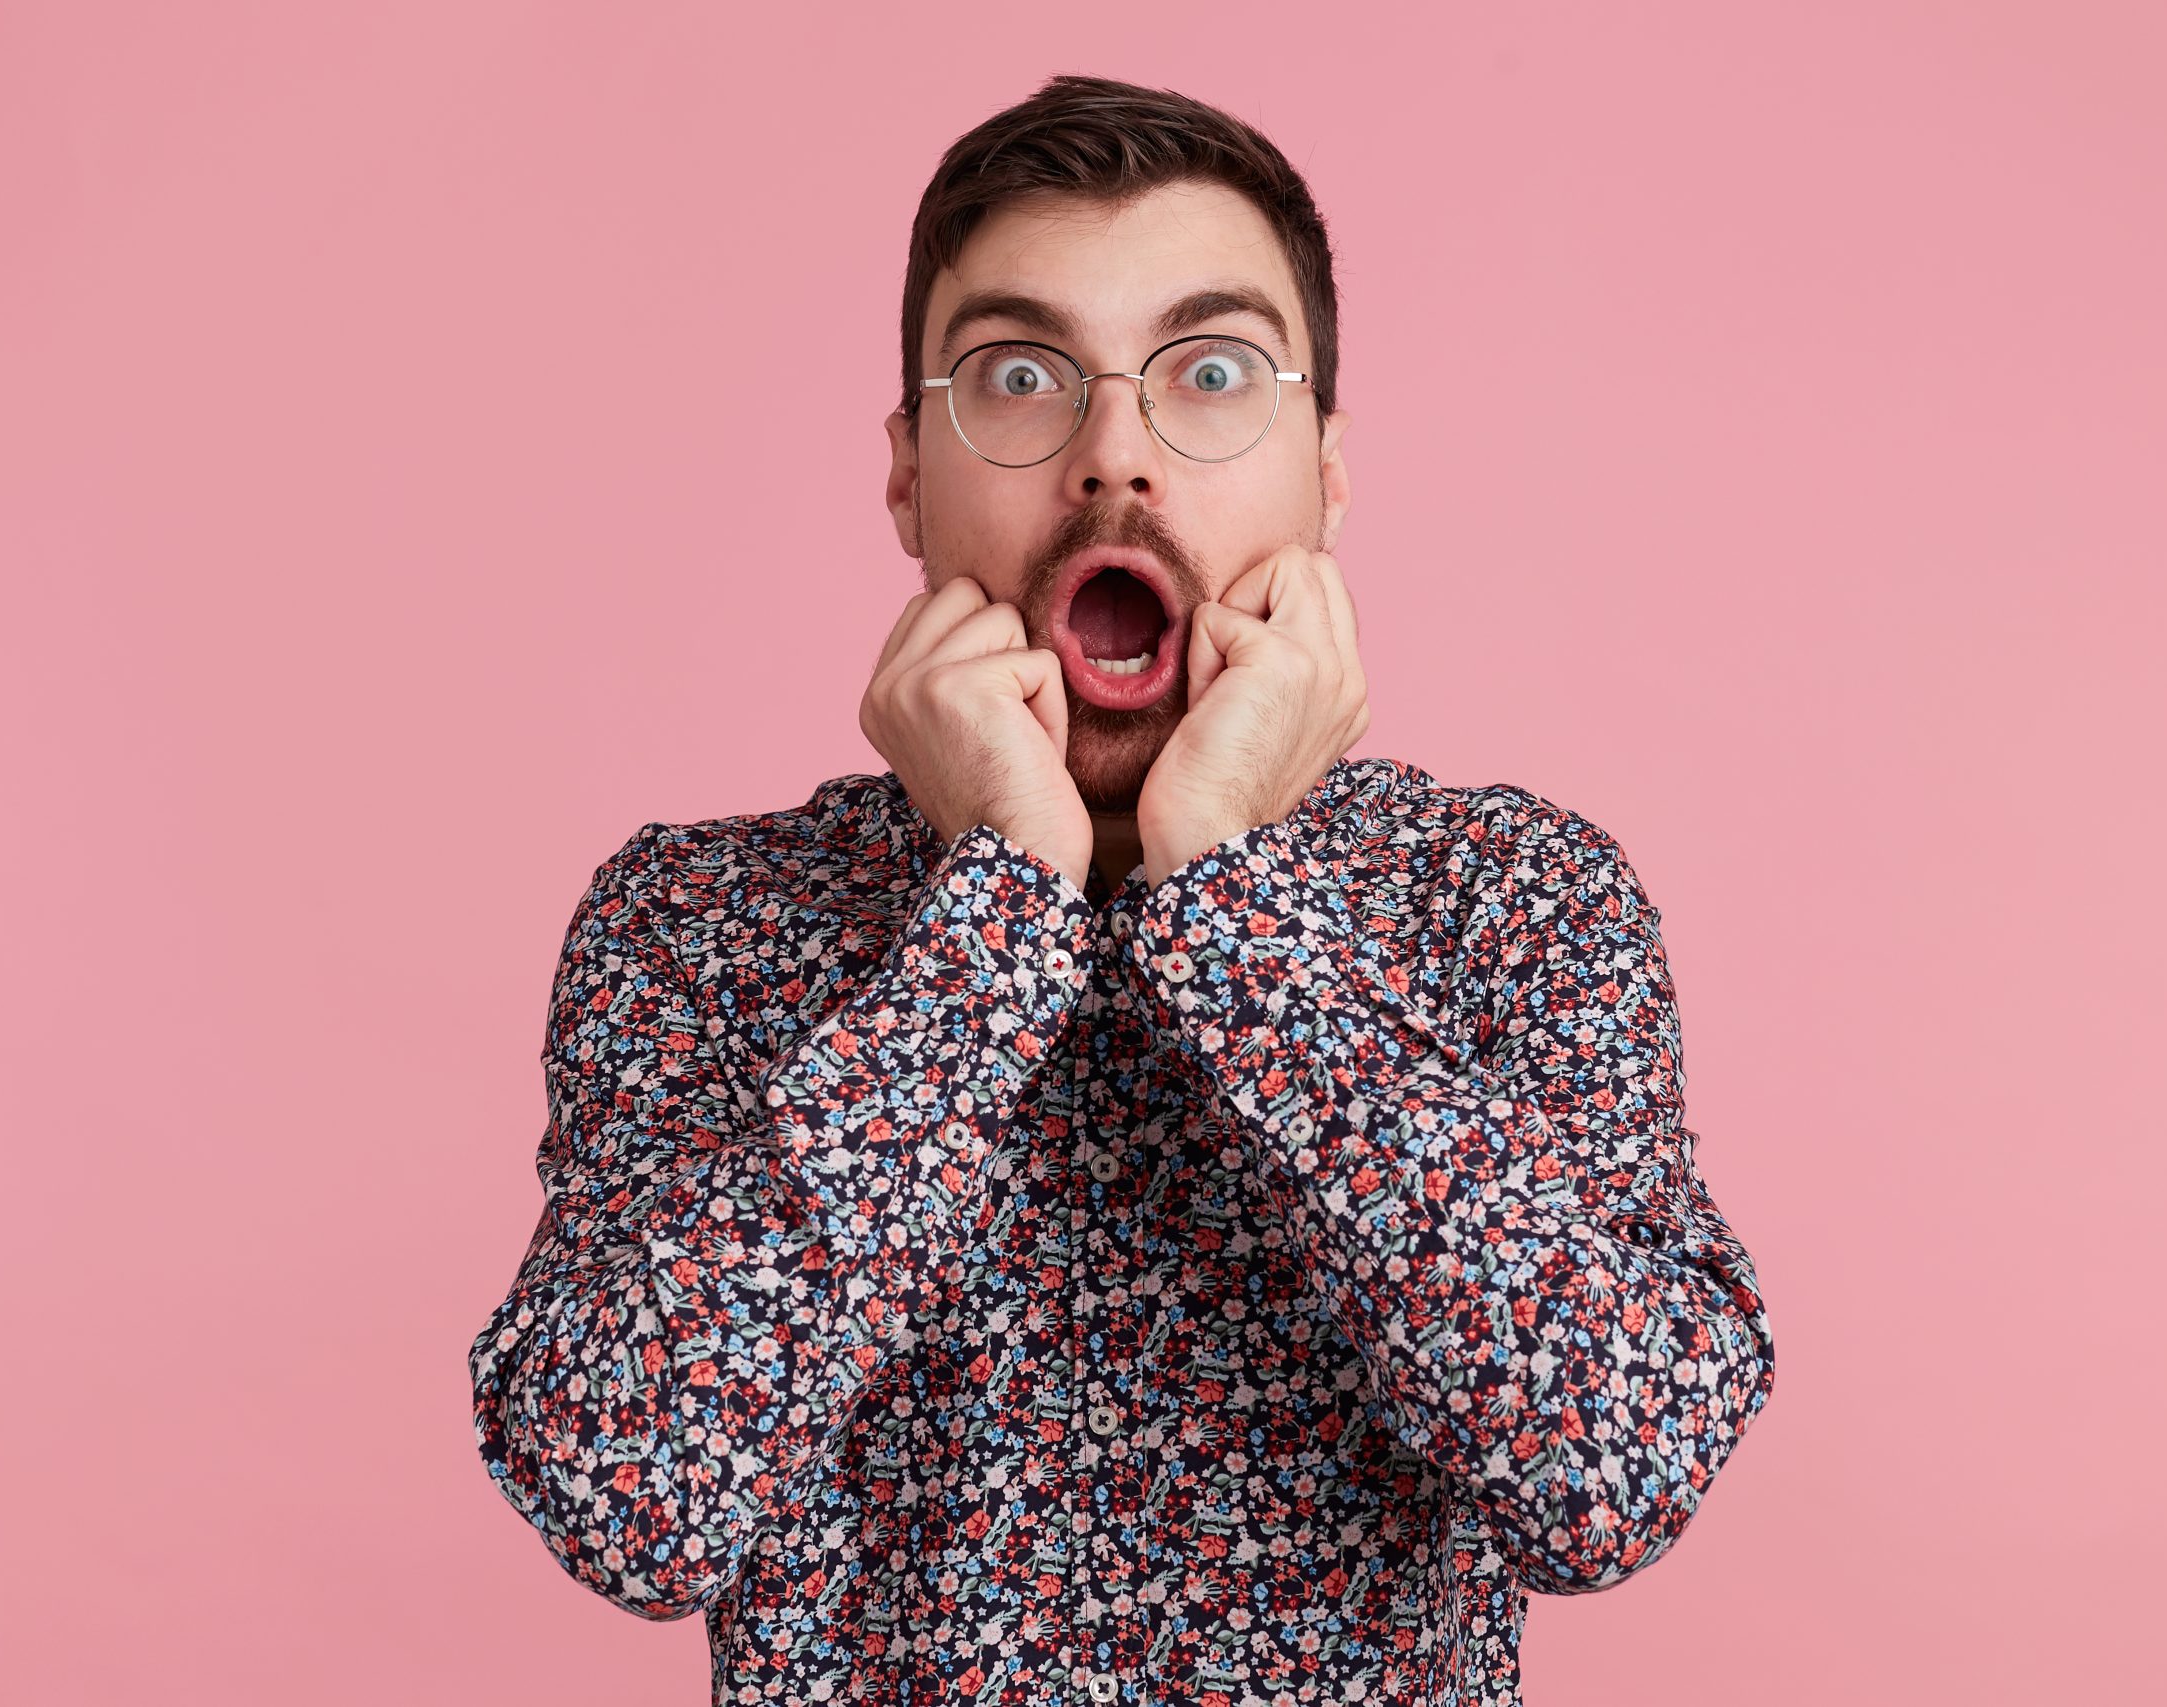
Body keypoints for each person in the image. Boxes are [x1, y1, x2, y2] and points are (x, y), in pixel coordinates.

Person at [468, 74, 1775, 1707]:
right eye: (1020, 378)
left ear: (1327, 471)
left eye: (1209, 374)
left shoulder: (1512, 901)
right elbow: (624, 1501)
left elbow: (1619, 1473)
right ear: (905, 478)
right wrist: (995, 924)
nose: (1111, 459)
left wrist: (1229, 893)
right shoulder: (697, 926)